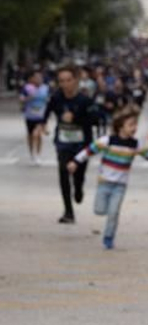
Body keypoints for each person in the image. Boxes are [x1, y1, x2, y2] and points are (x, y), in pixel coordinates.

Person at [68, 108, 148, 249]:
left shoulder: (135, 144)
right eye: (131, 124)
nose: (134, 128)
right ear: (120, 126)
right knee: (99, 210)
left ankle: (108, 238)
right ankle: (107, 213)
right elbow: (89, 150)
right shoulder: (107, 141)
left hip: (120, 185)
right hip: (104, 183)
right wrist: (75, 161)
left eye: (135, 124)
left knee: (114, 212)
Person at [45, 67, 100, 224]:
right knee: (63, 172)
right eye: (61, 81)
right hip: (63, 143)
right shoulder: (56, 98)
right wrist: (42, 124)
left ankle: (78, 187)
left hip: (82, 144)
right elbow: (47, 111)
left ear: (75, 80)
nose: (65, 84)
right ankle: (68, 211)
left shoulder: (85, 100)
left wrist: (75, 118)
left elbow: (95, 118)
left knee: (78, 173)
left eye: (68, 80)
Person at [22, 70, 50, 165]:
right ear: (32, 79)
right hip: (29, 115)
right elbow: (21, 100)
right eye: (36, 78)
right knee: (30, 136)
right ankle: (32, 154)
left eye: (40, 78)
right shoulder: (27, 88)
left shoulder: (45, 88)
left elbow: (49, 100)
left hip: (41, 116)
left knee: (37, 135)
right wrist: (28, 98)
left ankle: (38, 155)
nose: (38, 79)